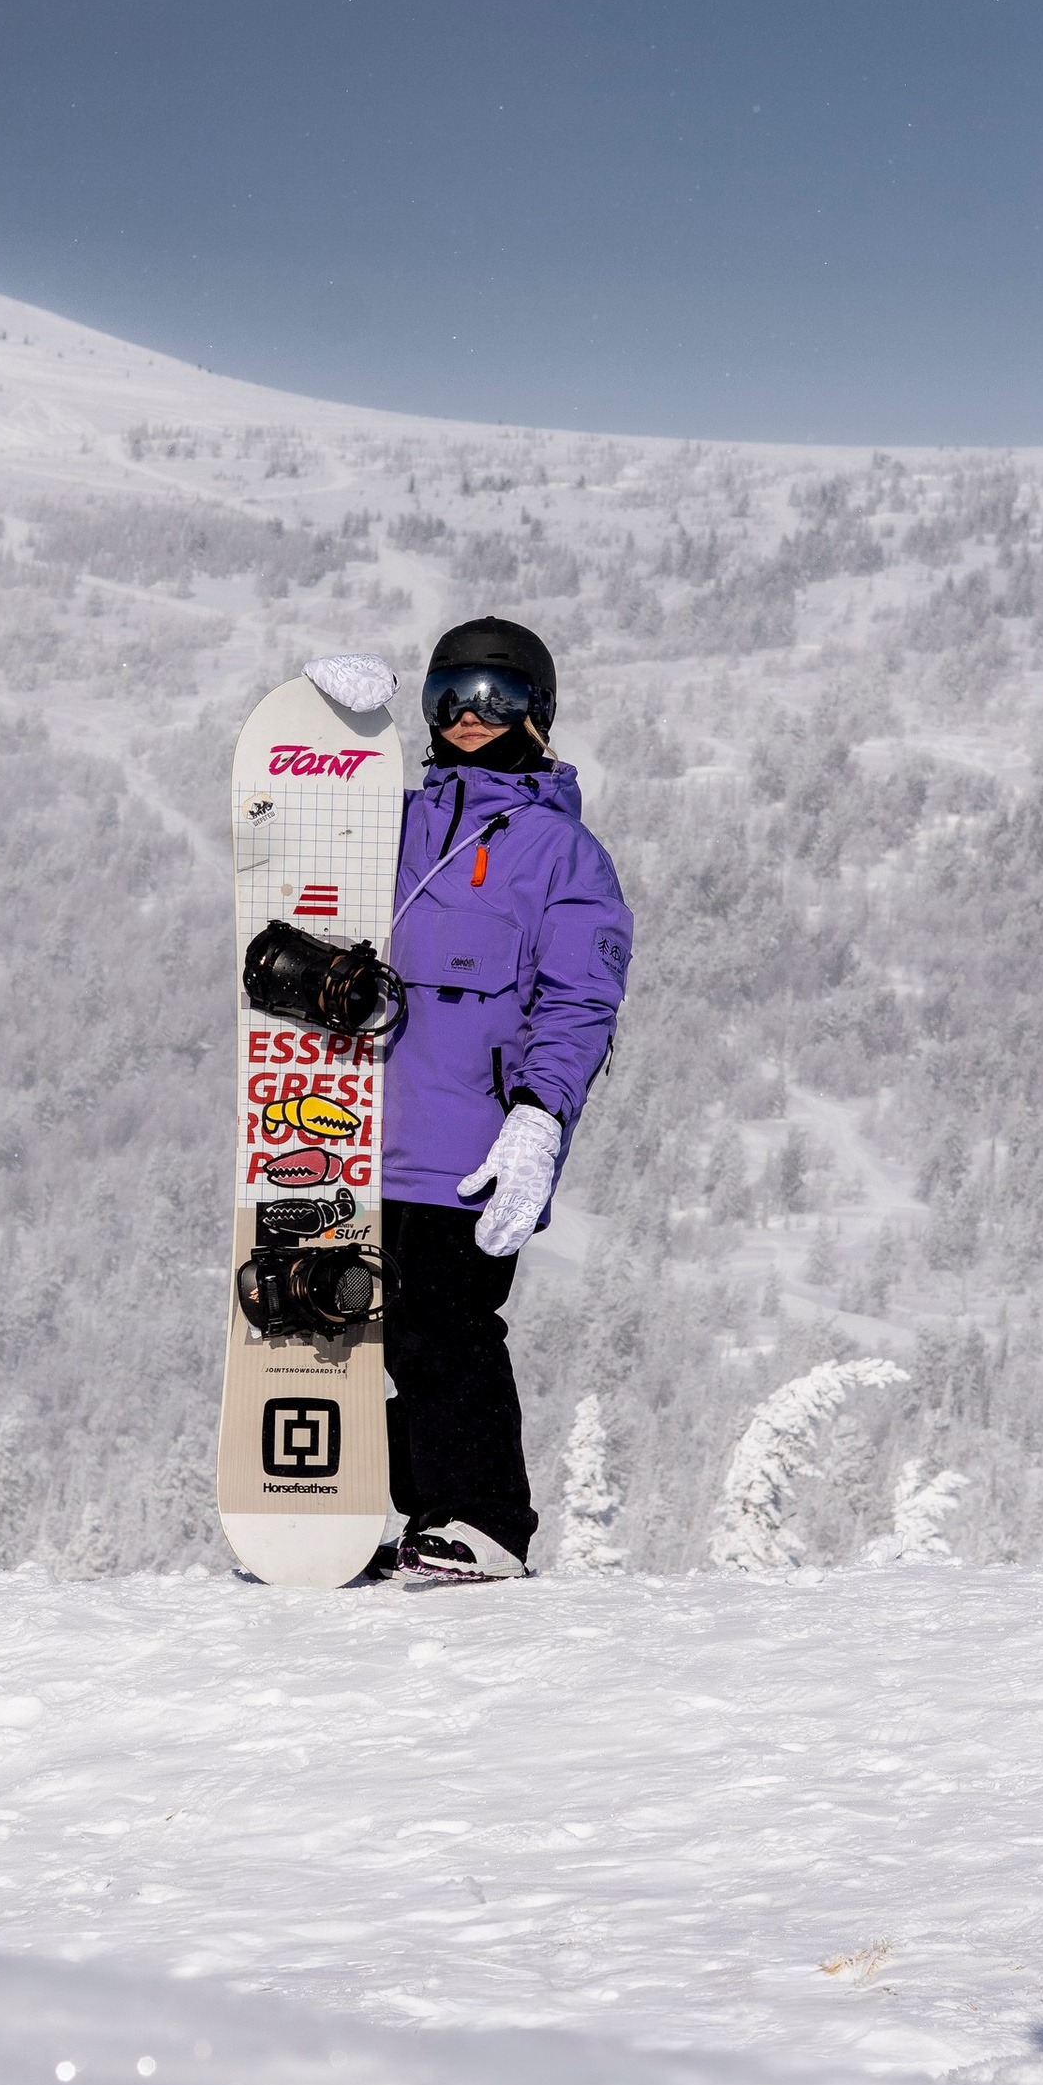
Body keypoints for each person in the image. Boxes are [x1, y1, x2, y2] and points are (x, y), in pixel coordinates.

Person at [378, 615, 633, 1585]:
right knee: (352, 1333)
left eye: (500, 697)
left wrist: (537, 1117)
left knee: (446, 1330)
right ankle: (377, 1506)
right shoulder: (388, 820)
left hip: (467, 1142)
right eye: (451, 695)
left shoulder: (560, 855)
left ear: (539, 712)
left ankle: (483, 1521)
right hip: (343, 1132)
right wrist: (324, 735)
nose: (472, 716)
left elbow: (578, 999)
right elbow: (289, 849)